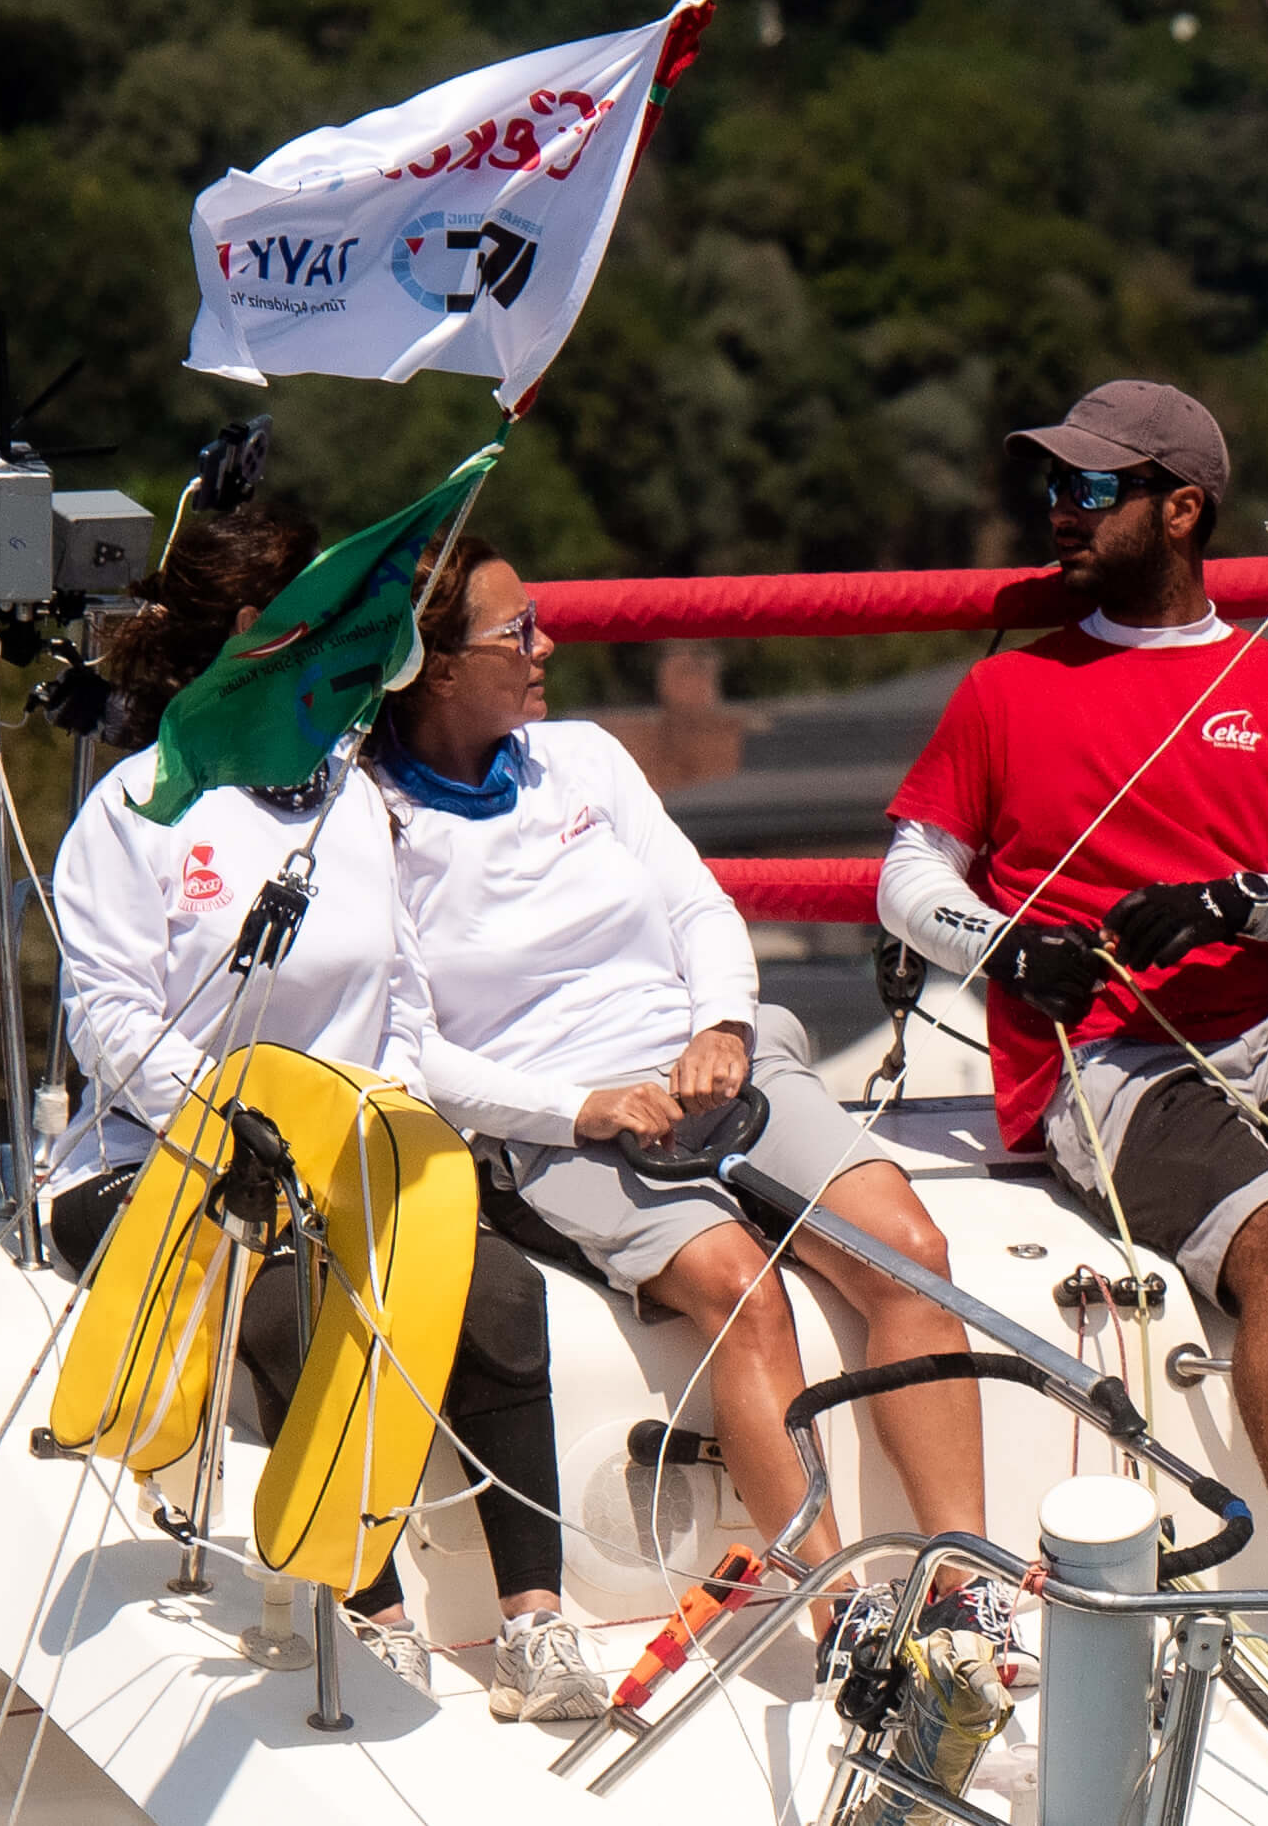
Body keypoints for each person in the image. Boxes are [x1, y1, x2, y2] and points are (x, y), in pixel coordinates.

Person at [880, 380, 1268, 1666]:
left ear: (1181, 509)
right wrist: (1010, 946)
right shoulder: (1005, 690)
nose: (1060, 509)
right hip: (1105, 1064)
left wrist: (1233, 900)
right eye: (1052, 485)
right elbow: (908, 879)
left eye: (1090, 487)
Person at [375, 536, 1026, 1679]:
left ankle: (968, 1588)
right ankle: (840, 1618)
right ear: (434, 668)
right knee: (743, 1292)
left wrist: (721, 1023)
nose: (548, 643)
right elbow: (408, 1049)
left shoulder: (585, 756)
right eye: (518, 630)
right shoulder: (367, 821)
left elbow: (701, 907)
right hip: (556, 1121)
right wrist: (582, 1106)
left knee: (912, 1252)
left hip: (717, 1060)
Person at [51, 507, 602, 1721]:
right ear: (262, 631)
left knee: (502, 1293)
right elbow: (112, 1022)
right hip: (179, 1161)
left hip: (347, 1151)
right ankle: (370, 1610)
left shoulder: (352, 798)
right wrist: (234, 1123)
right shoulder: (138, 808)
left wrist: (390, 1123)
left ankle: (536, 1623)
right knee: (296, 1310)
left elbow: (401, 1012)